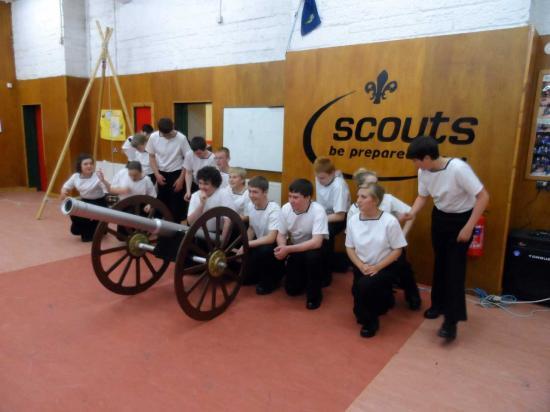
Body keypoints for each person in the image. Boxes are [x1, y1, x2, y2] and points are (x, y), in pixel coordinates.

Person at [404, 136, 489, 340]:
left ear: (426, 157)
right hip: (440, 218)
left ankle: (451, 322)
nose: (414, 164)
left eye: (415, 160)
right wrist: (411, 213)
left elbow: (483, 196)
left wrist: (469, 227)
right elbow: (422, 196)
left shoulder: (458, 168)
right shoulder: (423, 171)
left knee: (454, 271)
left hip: (462, 220)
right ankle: (438, 305)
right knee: (440, 264)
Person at [348, 168, 422, 310]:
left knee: (404, 269)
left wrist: (402, 236)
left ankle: (412, 295)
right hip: (367, 253)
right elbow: (351, 241)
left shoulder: (388, 199)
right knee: (360, 289)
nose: (376, 187)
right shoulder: (355, 209)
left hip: (390, 249)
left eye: (377, 183)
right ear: (360, 188)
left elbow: (410, 214)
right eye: (370, 184)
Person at [346, 184, 407, 338]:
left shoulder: (389, 221)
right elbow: (350, 247)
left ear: (375, 201)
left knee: (365, 286)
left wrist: (377, 267)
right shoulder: (353, 220)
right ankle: (383, 300)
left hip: (385, 266)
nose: (358, 200)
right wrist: (360, 265)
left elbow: (397, 250)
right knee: (358, 306)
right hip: (362, 266)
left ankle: (371, 323)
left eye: (363, 197)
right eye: (358, 196)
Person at [275, 178, 328, 310]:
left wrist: (288, 249)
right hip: (295, 248)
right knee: (292, 290)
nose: (291, 200)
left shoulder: (318, 210)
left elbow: (317, 242)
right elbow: (281, 234)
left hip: (314, 247)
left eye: (296, 197)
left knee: (313, 258)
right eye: (290, 196)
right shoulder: (286, 208)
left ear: (308, 198)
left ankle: (314, 296)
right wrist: (282, 247)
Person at [241, 176, 283, 294]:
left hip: (272, 246)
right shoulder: (250, 205)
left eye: (255, 192)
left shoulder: (274, 209)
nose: (251, 195)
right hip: (258, 242)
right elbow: (251, 229)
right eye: (249, 191)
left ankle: (271, 281)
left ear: (265, 192)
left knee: (265, 250)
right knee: (244, 280)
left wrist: (247, 244)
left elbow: (271, 238)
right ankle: (256, 275)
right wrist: (242, 246)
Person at [313, 157, 351, 285]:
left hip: (339, 217)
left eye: (322, 178)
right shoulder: (320, 177)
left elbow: (340, 216)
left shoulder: (339, 185)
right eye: (317, 177)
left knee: (325, 233)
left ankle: (325, 276)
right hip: (324, 214)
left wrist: (318, 220)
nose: (319, 181)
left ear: (332, 174)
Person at [145, 118, 190, 222]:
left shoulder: (181, 138)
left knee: (176, 207)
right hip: (161, 174)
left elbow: (187, 159)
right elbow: (151, 157)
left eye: (169, 133)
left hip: (177, 173)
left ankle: (175, 233)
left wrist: (181, 179)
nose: (167, 136)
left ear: (173, 127)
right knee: (161, 204)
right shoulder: (153, 137)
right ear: (159, 131)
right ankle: (160, 229)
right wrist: (156, 174)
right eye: (164, 134)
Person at [60, 154, 107, 242]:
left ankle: (96, 229)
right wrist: (63, 192)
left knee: (87, 236)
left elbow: (108, 190)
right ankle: (85, 229)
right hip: (85, 201)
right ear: (80, 166)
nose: (89, 166)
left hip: (99, 202)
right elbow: (65, 187)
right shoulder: (75, 176)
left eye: (91, 163)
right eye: (85, 164)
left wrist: (103, 181)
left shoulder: (97, 176)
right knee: (72, 208)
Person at [187, 166, 237, 231]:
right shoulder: (195, 196)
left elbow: (228, 221)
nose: (202, 187)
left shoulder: (224, 194)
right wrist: (201, 204)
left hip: (218, 234)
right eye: (200, 183)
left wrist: (222, 240)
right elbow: (190, 222)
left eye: (206, 184)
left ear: (215, 184)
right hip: (199, 233)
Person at [183, 136, 217, 202]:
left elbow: (213, 178)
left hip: (208, 186)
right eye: (196, 153)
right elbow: (188, 173)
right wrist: (188, 191)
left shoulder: (213, 158)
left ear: (205, 148)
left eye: (200, 153)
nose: (198, 155)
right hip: (195, 184)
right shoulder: (189, 154)